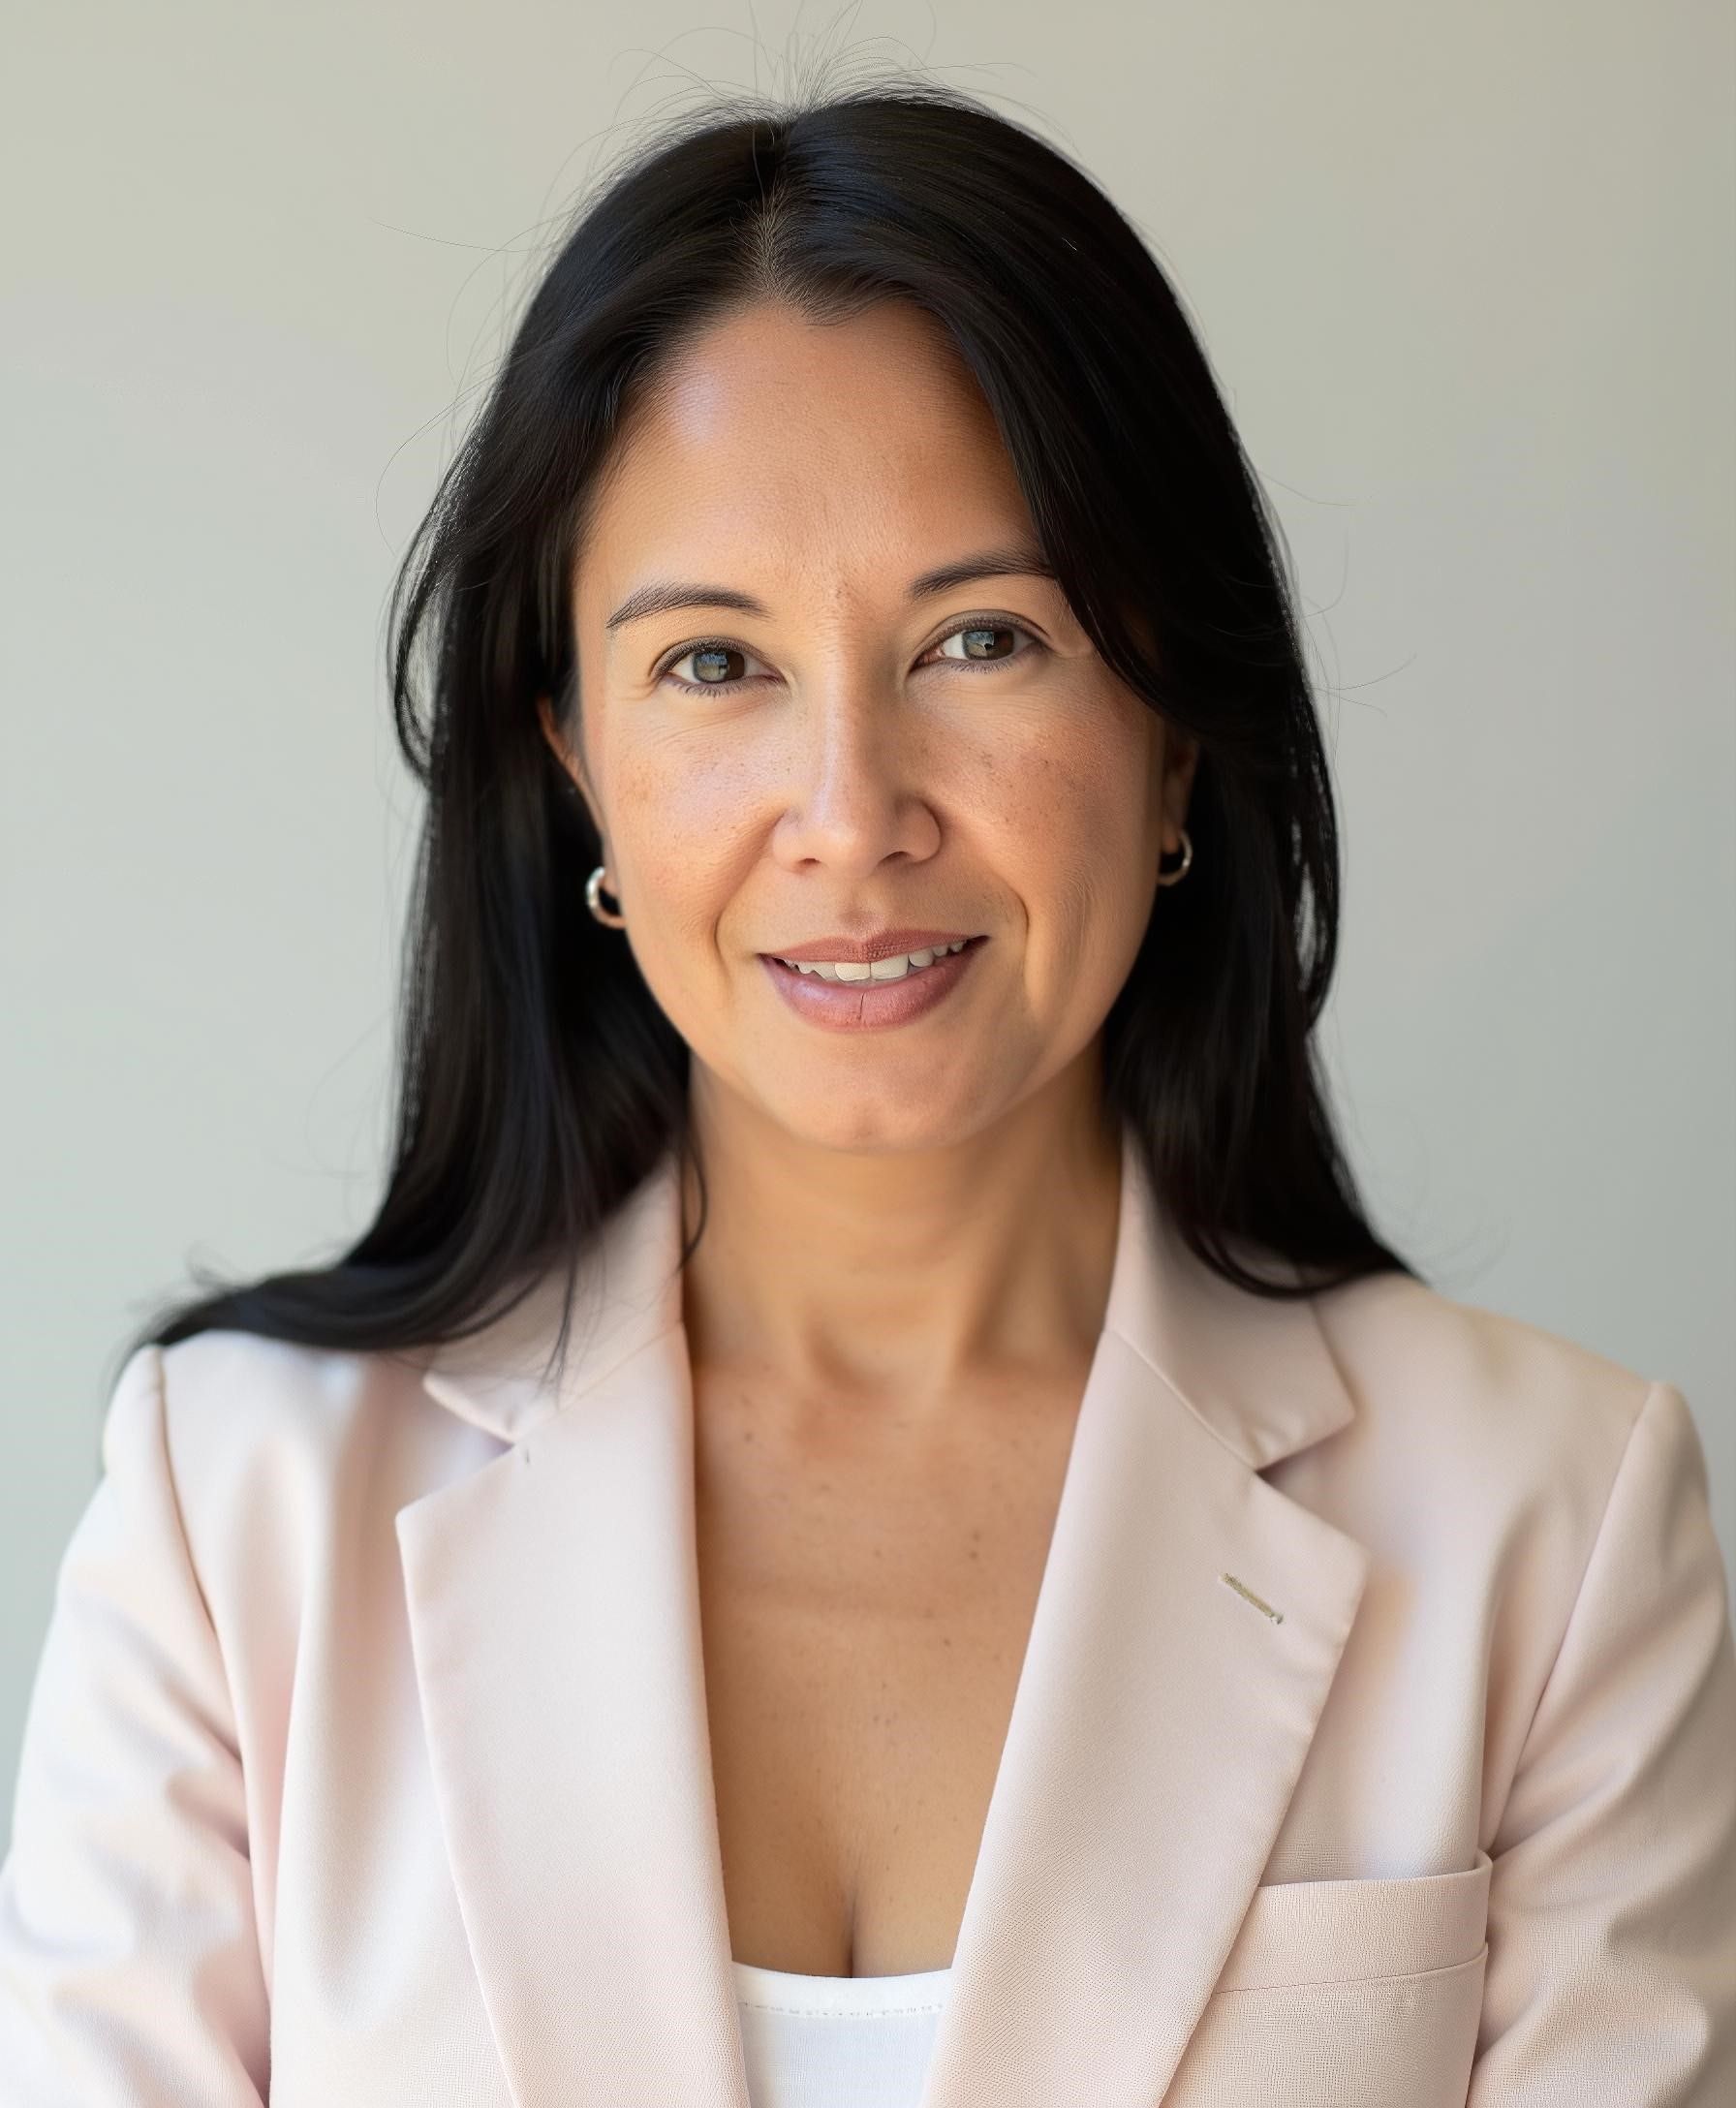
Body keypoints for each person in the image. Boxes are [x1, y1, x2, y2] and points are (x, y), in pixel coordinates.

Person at [2, 81, 1732, 2108]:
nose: (851, 816)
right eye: (713, 667)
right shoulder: (240, 1510)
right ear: (571, 761)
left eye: (980, 637)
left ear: (1172, 730)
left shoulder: (1550, 1518)